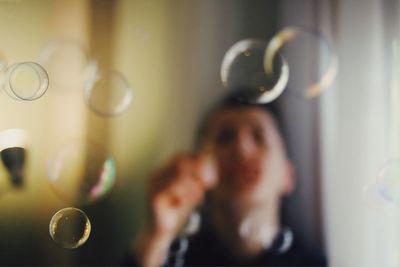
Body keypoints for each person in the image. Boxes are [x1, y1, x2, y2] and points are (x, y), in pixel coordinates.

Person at [125, 92, 327, 267]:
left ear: (288, 176)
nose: (241, 149)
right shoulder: (174, 259)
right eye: (225, 137)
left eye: (258, 136)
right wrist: (156, 235)